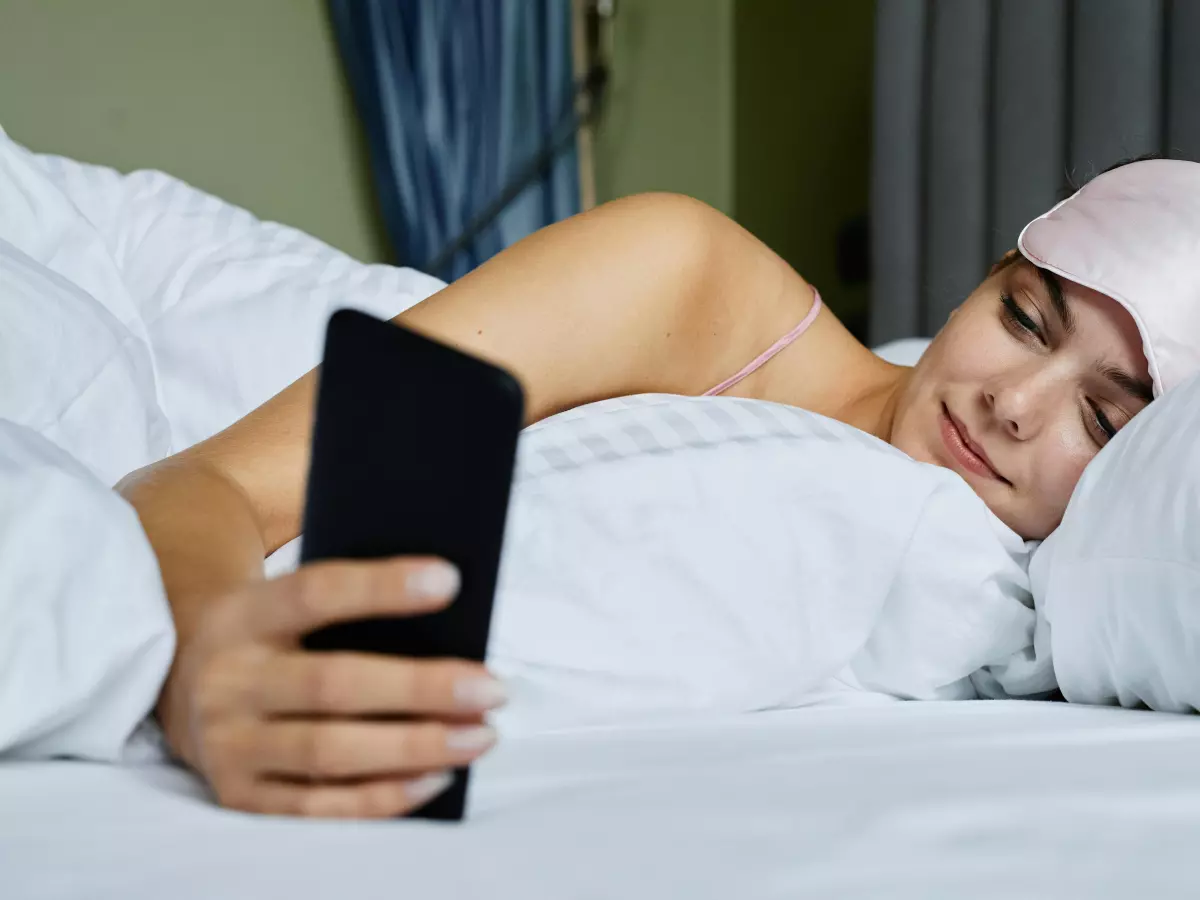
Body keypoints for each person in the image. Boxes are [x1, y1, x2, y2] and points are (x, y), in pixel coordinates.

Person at [117, 156, 1200, 818]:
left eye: (1103, 418)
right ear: (979, 281)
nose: (1014, 404)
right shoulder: (684, 278)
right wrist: (207, 655)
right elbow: (203, 483)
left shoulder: (1071, 606)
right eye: (1021, 317)